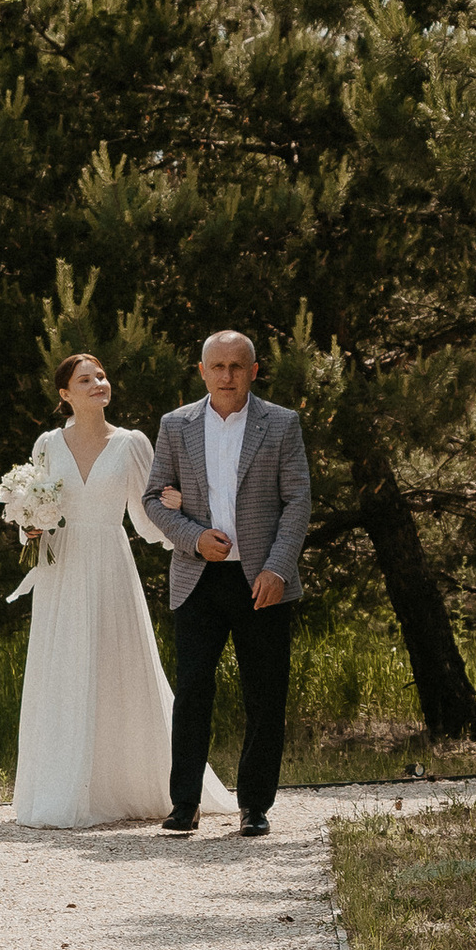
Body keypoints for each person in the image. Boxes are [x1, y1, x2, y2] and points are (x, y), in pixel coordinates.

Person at [7, 352, 232, 828]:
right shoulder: (47, 444)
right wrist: (29, 524)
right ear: (65, 394)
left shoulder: (131, 443)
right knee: (64, 665)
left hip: (110, 561)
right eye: (85, 379)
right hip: (62, 567)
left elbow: (148, 516)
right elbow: (32, 503)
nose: (98, 384)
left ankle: (130, 783)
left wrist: (181, 506)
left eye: (102, 376)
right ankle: (62, 787)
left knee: (116, 665)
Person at [140, 331, 312, 839]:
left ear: (254, 370)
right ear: (201, 371)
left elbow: (297, 502)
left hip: (262, 580)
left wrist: (277, 568)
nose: (227, 376)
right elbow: (153, 499)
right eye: (217, 366)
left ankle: (255, 805)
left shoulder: (281, 424)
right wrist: (193, 538)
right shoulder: (176, 425)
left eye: (238, 366)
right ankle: (184, 803)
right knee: (192, 691)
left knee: (265, 693)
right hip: (198, 579)